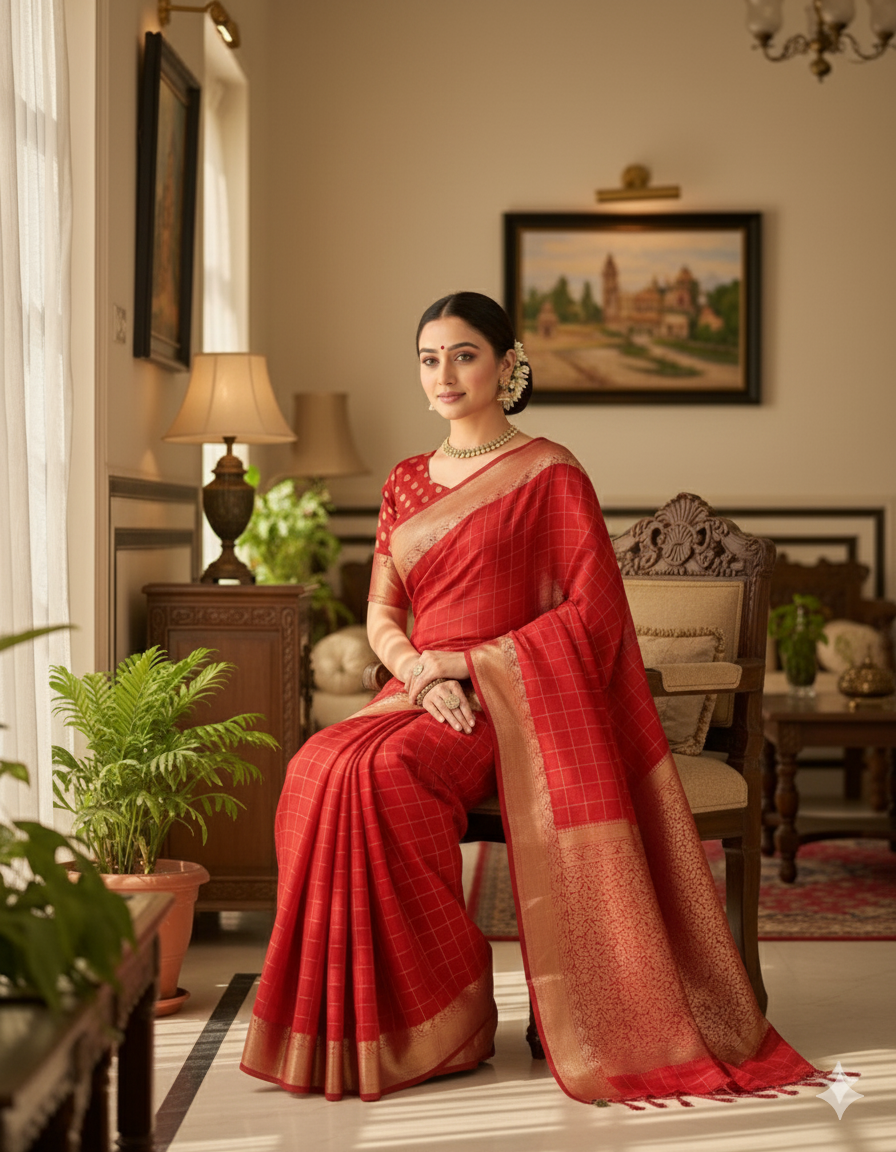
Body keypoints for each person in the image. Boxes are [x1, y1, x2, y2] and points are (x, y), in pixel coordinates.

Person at [241, 292, 821, 1107]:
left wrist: (467, 665)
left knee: (385, 775)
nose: (444, 374)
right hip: (419, 689)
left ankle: (448, 1016)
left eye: (464, 354)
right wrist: (421, 673)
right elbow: (381, 614)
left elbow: (592, 618)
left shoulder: (551, 472)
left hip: (507, 703)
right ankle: (357, 1019)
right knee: (314, 766)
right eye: (429, 359)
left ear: (508, 365)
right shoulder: (405, 481)